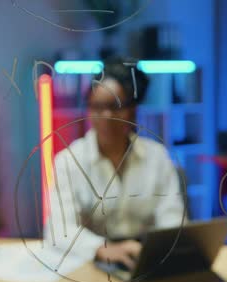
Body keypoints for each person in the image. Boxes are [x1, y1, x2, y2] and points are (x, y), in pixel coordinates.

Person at [44, 58, 185, 270]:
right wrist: (102, 249)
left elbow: (172, 218)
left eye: (115, 107)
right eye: (97, 107)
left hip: (144, 260)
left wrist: (158, 252)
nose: (107, 116)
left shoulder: (157, 157)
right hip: (90, 261)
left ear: (132, 110)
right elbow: (58, 230)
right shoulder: (70, 160)